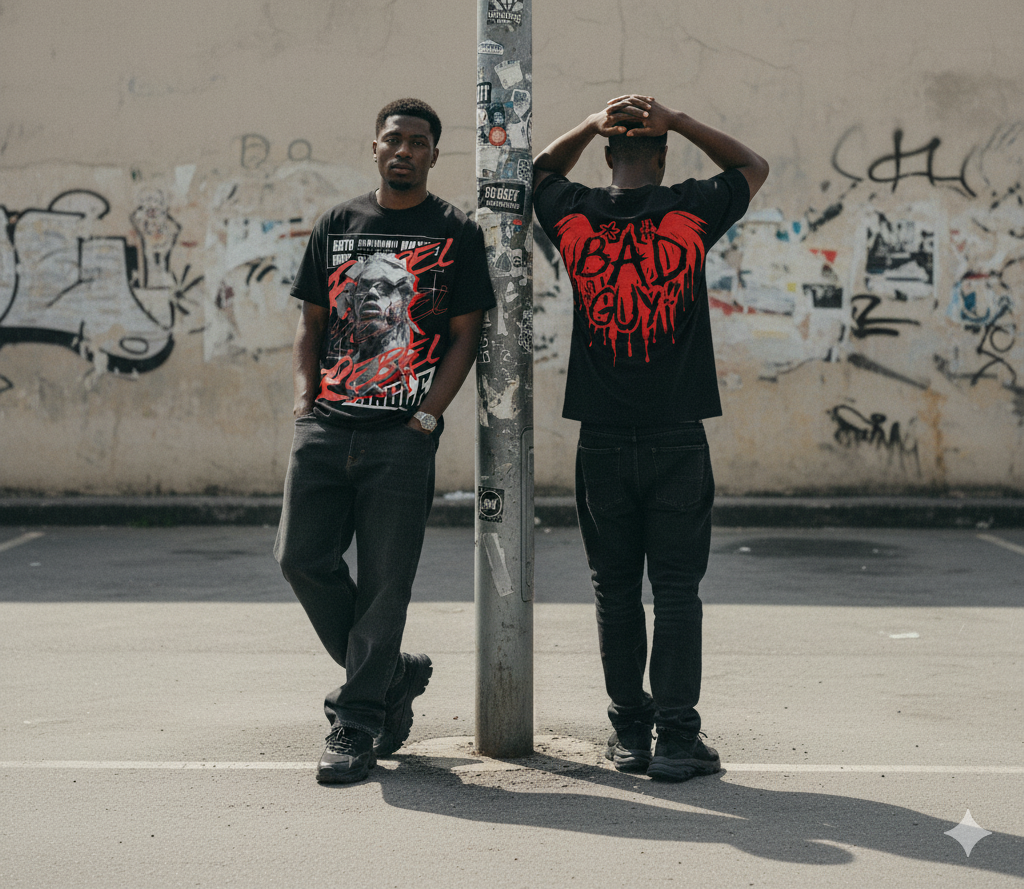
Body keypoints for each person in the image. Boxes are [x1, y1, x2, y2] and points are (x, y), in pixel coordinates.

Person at [532, 95, 768, 782]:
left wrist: (585, 122)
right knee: (675, 590)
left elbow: (535, 171)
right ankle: (677, 741)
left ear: (608, 155)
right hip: (676, 433)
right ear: (662, 156)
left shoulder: (573, 213)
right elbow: (753, 165)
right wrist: (684, 119)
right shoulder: (690, 209)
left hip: (601, 434)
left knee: (613, 590)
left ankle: (631, 735)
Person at [276, 98, 496, 785]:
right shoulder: (338, 224)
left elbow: (466, 335)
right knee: (300, 559)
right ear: (375, 146)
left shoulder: (455, 232)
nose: (404, 151)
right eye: (393, 139)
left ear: (434, 154)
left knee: (384, 585)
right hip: (326, 426)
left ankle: (358, 720)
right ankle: (389, 672)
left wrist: (427, 416)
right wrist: (305, 402)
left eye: (418, 142)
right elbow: (311, 324)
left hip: (401, 436)